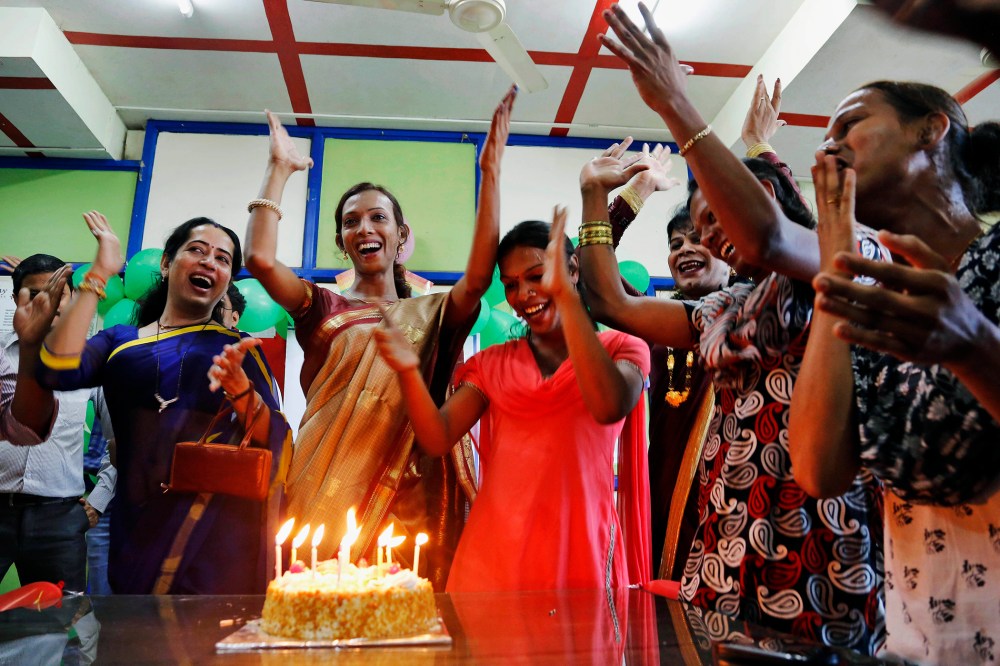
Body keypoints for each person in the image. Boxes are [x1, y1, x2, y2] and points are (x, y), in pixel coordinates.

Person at [244, 88, 515, 588]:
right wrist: (278, 169)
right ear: (341, 240)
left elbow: (476, 281)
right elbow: (259, 260)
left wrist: (490, 175)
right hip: (326, 487)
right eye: (351, 222)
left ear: (399, 234)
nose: (364, 228)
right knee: (322, 609)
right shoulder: (323, 307)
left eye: (377, 218)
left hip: (414, 495)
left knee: (409, 619)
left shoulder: (433, 312)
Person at [789, 83, 1000, 664]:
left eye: (848, 125)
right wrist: (835, 264)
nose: (828, 150)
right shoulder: (879, 303)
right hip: (916, 642)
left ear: (930, 130)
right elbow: (817, 467)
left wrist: (972, 345)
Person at [375, 209, 651, 592]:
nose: (523, 295)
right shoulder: (491, 365)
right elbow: (436, 439)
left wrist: (569, 303)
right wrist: (408, 371)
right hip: (494, 557)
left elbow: (610, 404)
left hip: (581, 553)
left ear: (573, 270)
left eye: (538, 277)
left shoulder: (622, 348)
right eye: (511, 284)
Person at [38, 212, 291, 594]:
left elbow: (273, 439)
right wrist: (98, 275)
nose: (210, 261)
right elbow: (56, 368)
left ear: (226, 281)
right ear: (167, 262)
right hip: (137, 525)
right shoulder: (121, 341)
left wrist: (240, 390)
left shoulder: (235, 349)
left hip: (217, 537)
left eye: (223, 259)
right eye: (197, 250)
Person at [0, 255, 91, 592]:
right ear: (15, 300)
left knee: (61, 622)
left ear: (69, 299)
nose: (48, 303)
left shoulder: (91, 362)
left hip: (60, 520)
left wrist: (98, 501)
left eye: (56, 294)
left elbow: (119, 439)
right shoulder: (0, 357)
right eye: (35, 294)